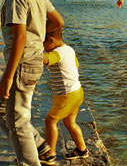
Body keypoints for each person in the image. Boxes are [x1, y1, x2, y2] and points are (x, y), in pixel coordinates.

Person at [0, 0, 64, 166]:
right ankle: (39, 145)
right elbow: (57, 21)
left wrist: (7, 77)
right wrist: (39, 36)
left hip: (21, 66)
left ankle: (30, 161)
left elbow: (19, 38)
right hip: (33, 61)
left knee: (18, 123)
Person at [40, 28, 88, 164]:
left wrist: (33, 49)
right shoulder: (69, 49)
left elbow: (46, 60)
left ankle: (50, 154)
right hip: (77, 92)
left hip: (66, 95)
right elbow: (76, 64)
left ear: (50, 40)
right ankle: (82, 150)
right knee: (70, 122)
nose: (43, 48)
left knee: (50, 122)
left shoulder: (57, 53)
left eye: (43, 44)